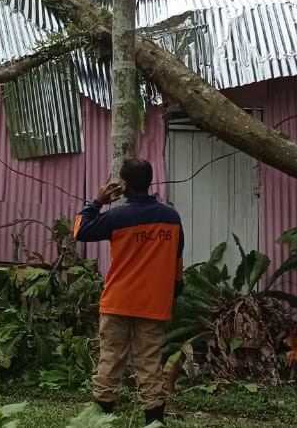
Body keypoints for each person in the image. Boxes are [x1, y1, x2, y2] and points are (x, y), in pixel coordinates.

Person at [73, 158, 184, 427]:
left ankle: (101, 418)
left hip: (118, 301)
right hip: (154, 302)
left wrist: (97, 201)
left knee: (111, 359)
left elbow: (80, 230)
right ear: (149, 181)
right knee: (149, 364)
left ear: (123, 184)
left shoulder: (116, 216)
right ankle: (154, 421)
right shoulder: (171, 217)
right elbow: (177, 261)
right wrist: (173, 292)